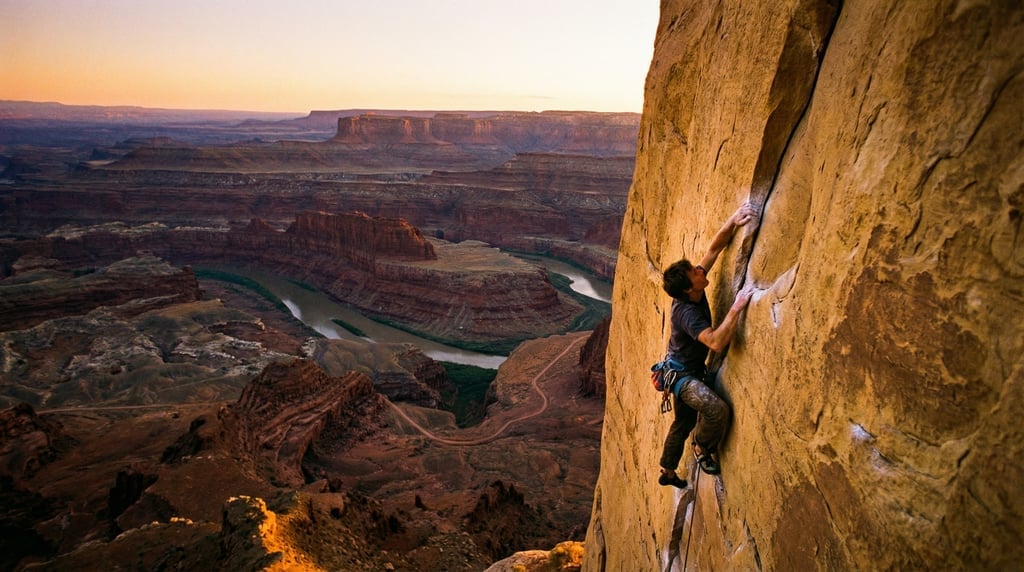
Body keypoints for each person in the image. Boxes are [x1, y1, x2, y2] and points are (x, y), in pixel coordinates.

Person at [657, 202, 757, 488]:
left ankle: (667, 470)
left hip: (681, 368)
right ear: (690, 288)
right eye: (696, 274)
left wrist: (733, 220)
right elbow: (715, 342)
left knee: (682, 422)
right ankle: (701, 446)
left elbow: (714, 250)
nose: (702, 272)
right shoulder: (687, 313)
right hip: (684, 378)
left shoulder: (691, 287)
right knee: (716, 410)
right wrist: (736, 308)